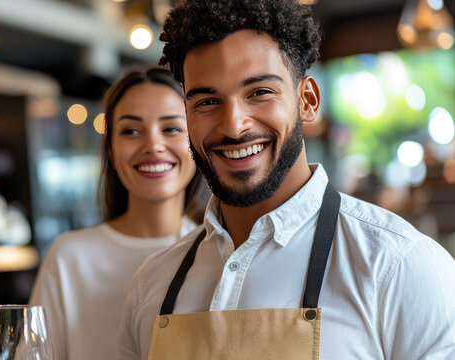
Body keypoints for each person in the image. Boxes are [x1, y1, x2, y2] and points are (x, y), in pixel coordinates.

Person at [117, 1, 455, 359]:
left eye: (259, 92)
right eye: (207, 102)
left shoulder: (400, 266)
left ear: (307, 100)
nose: (234, 125)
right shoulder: (151, 284)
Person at [29, 67, 208, 360]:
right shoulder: (69, 258)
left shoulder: (216, 253)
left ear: (196, 146)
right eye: (131, 131)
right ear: (111, 150)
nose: (153, 145)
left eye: (172, 129)